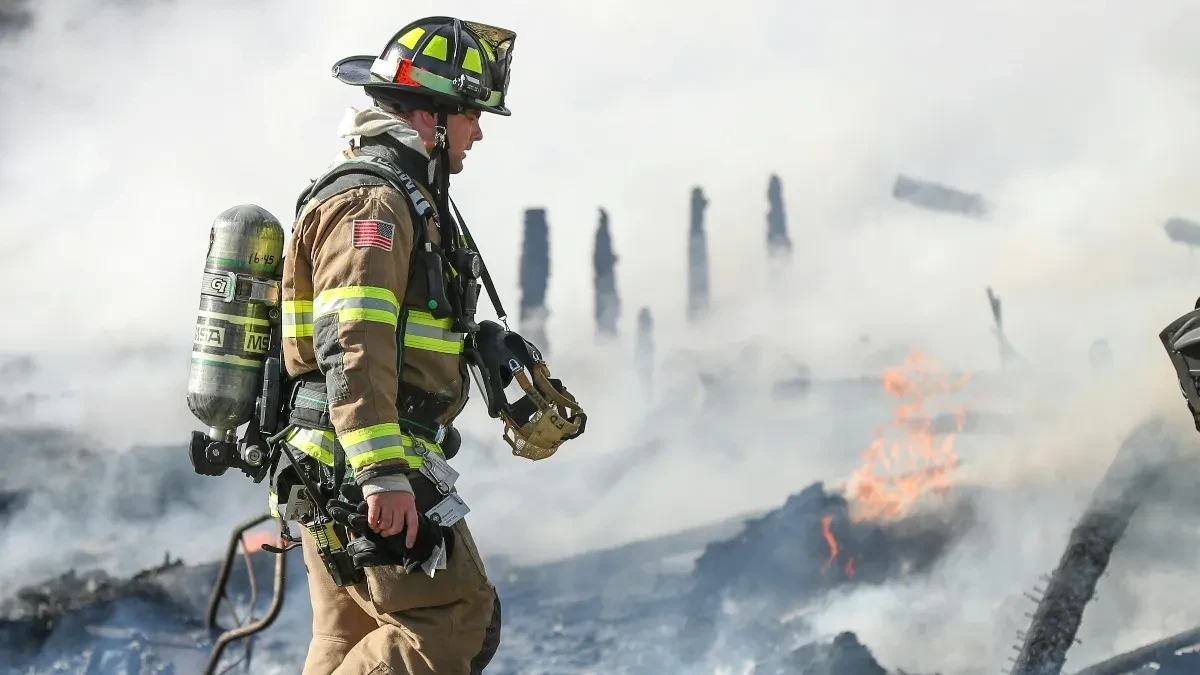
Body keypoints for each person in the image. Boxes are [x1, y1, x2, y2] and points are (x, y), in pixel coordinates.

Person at [276, 16, 515, 674]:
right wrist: (381, 472)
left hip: (338, 459)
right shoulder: (374, 203)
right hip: (363, 461)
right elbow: (352, 339)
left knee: (347, 637)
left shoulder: (399, 194)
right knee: (454, 623)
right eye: (471, 114)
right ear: (430, 117)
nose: (478, 132)